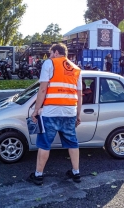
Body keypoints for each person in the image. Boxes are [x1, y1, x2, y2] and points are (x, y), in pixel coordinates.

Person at [28, 43, 82, 186]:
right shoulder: (76, 69)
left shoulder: (49, 63)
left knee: (45, 144)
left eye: (51, 53)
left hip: (51, 112)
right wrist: (78, 115)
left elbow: (43, 89)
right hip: (70, 112)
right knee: (72, 143)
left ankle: (38, 175)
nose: (49, 55)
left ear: (56, 52)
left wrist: (35, 110)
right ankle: (76, 173)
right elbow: (79, 95)